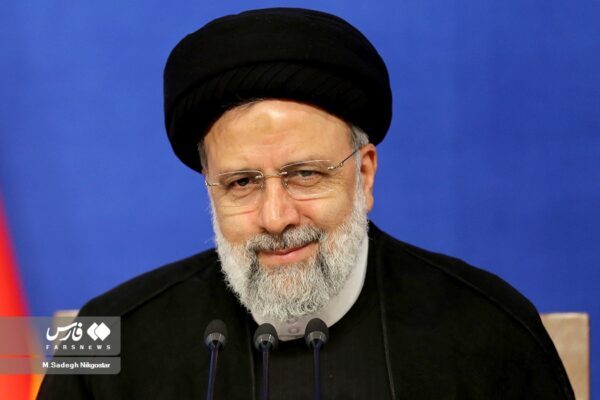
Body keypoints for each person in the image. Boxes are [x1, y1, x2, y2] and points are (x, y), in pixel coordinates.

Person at [38, 7, 574, 399]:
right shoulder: (103, 333)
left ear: (364, 173)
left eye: (305, 175)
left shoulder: (491, 328)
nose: (276, 218)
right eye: (242, 183)